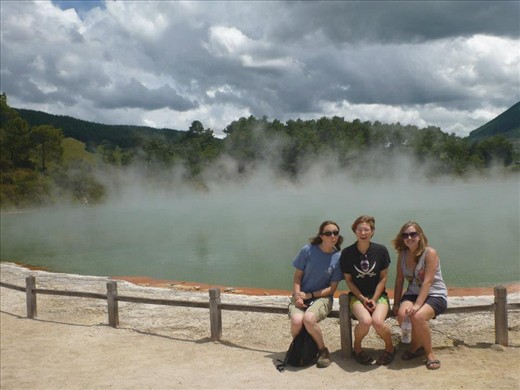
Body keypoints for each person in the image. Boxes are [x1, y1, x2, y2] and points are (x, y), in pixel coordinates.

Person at [391, 221, 448, 370]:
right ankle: (416, 345)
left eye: (413, 234)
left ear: (420, 235)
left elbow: (428, 281)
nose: (409, 237)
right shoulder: (402, 255)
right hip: (412, 293)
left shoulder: (430, 253)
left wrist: (417, 305)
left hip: (435, 294)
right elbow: (399, 280)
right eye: (405, 235)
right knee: (403, 315)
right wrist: (396, 303)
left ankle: (429, 353)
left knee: (418, 316)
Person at [340, 215, 395, 365]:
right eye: (359, 229)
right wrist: (363, 299)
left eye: (366, 229)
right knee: (365, 321)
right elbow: (349, 280)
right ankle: (357, 349)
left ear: (372, 231)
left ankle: (390, 348)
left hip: (379, 295)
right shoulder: (347, 253)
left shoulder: (381, 251)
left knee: (377, 322)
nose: (363, 232)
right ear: (355, 231)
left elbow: (383, 278)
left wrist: (375, 298)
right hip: (357, 296)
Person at [289, 220, 344, 368]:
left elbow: (332, 289)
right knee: (296, 320)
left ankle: (322, 351)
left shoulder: (338, 257)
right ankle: (301, 348)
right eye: (328, 233)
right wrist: (298, 295)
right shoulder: (307, 250)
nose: (332, 236)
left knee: (308, 318)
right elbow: (297, 277)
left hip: (323, 297)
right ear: (321, 236)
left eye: (335, 233)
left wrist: (310, 295)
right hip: (301, 294)